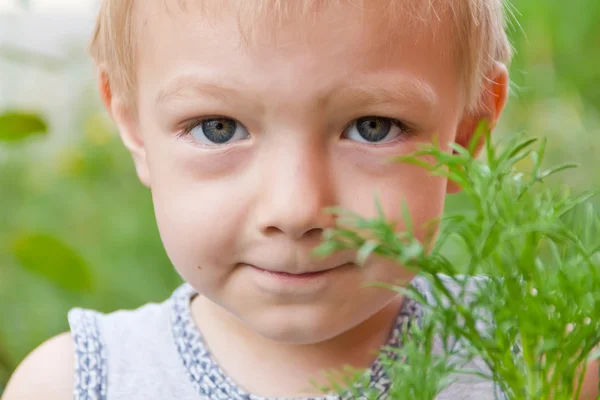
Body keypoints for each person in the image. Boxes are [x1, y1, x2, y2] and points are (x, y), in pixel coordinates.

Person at [2, 1, 598, 399]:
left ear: (467, 133)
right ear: (132, 125)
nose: (296, 209)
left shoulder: (536, 360)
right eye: (218, 128)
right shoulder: (78, 385)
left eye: (372, 127)